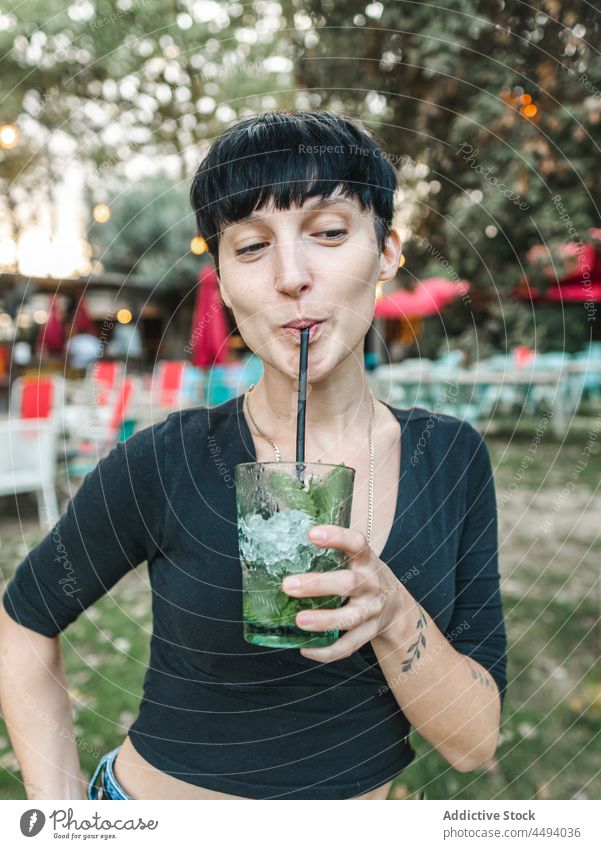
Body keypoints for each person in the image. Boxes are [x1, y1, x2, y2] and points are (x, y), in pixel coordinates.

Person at [0, 110, 507, 801]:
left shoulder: (451, 457)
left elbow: (472, 741)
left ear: (386, 250)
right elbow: (21, 623)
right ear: (221, 276)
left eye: (329, 233)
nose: (291, 276)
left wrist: (389, 610)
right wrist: (60, 821)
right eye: (249, 247)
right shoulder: (165, 460)